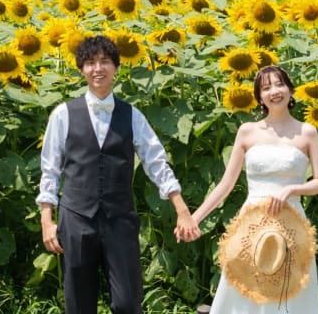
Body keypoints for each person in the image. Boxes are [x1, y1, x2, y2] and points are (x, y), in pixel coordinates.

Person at [37, 33, 200, 314]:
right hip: (76, 219)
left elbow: (156, 162)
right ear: (81, 70)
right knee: (78, 304)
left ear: (116, 68)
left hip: (119, 219)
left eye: (104, 62)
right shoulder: (62, 115)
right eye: (90, 63)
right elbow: (49, 170)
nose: (97, 68)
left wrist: (181, 208)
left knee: (127, 302)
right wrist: (46, 221)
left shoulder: (133, 115)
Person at [182, 65, 318, 314]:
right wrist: (194, 218)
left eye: (279, 84)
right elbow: (226, 184)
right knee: (245, 294)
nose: (274, 91)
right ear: (259, 97)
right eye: (266, 87)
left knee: (289, 297)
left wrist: (292, 189)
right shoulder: (247, 131)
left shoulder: (308, 132)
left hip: (291, 223)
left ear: (290, 90)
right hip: (251, 223)